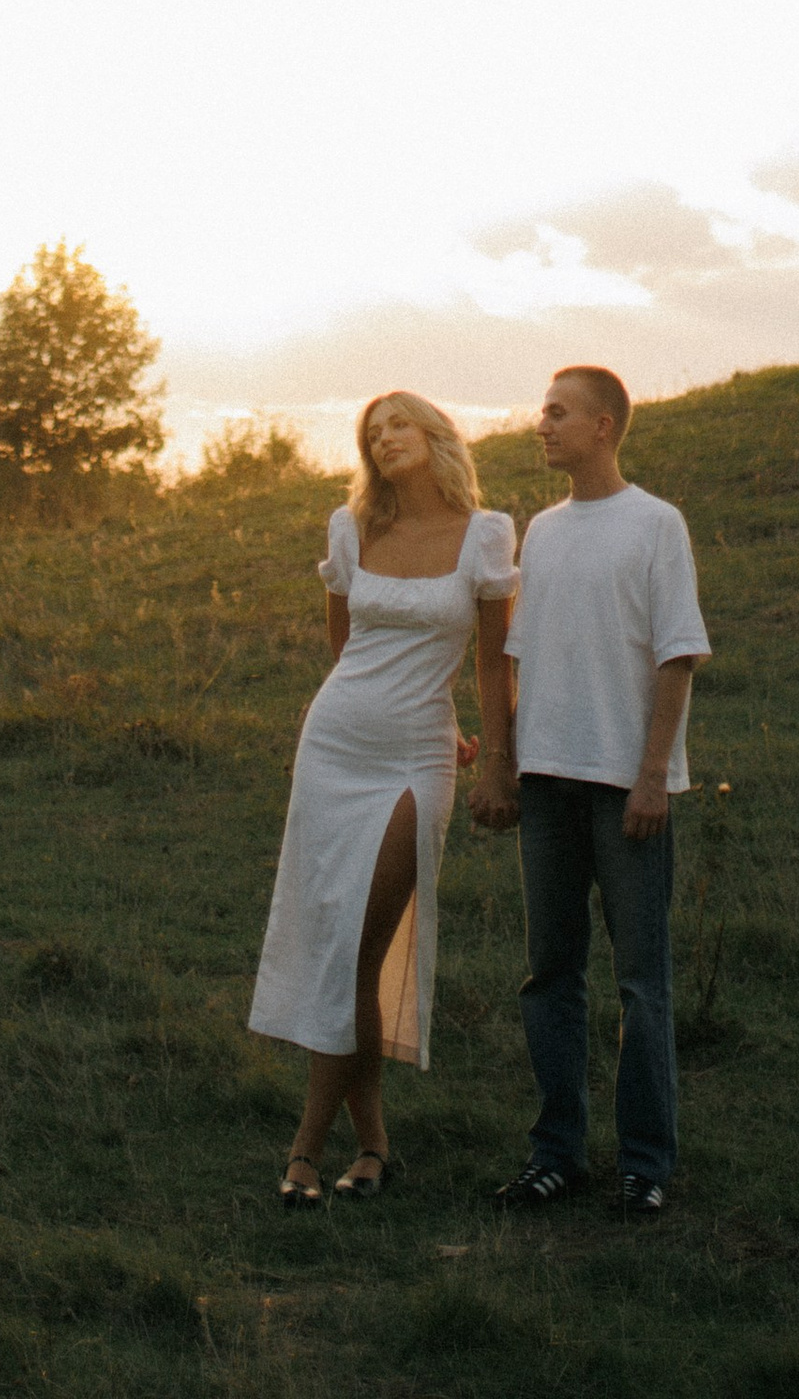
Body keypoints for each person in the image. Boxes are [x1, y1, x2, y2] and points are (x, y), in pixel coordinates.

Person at [248, 390, 516, 1204]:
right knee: (346, 949)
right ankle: (372, 1147)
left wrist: (492, 756)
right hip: (333, 745)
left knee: (356, 946)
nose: (384, 437)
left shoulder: (487, 534)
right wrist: (377, 695)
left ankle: (303, 1148)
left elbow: (493, 662)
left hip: (414, 759)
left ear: (437, 435)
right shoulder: (351, 527)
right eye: (373, 431)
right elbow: (345, 642)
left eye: (399, 423)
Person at [471, 363, 711, 1222]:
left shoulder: (656, 525)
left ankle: (645, 1164)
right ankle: (556, 1154)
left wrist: (654, 776)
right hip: (548, 785)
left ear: (603, 425)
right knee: (551, 974)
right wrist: (501, 764)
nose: (541, 424)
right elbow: (518, 655)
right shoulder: (545, 529)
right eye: (543, 409)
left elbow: (677, 655)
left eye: (556, 412)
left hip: (625, 790)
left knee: (641, 983)